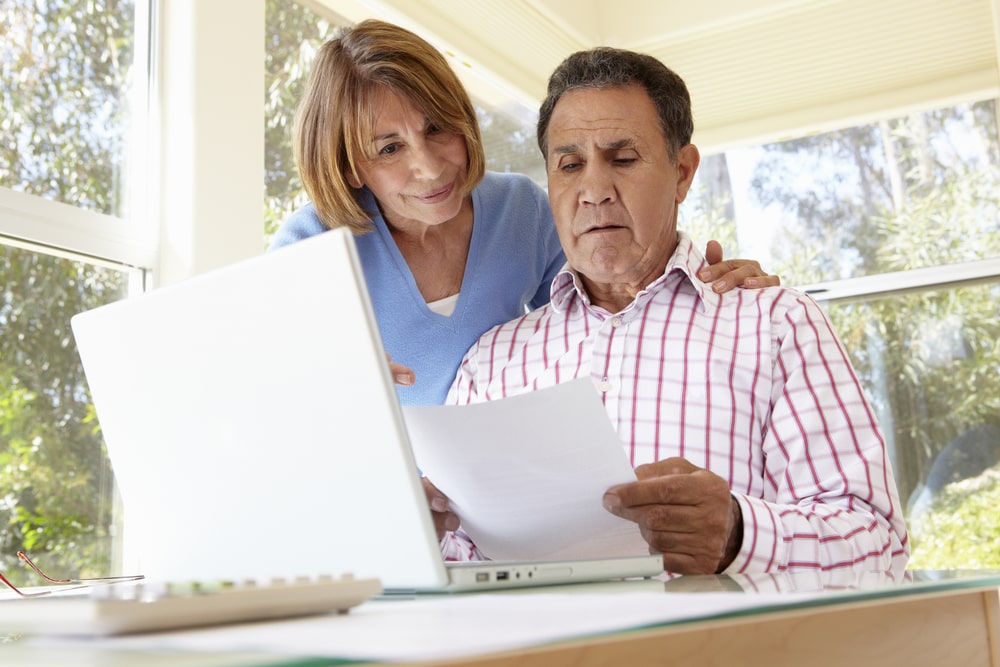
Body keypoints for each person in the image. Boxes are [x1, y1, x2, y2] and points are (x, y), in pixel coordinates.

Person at [436, 46, 909, 577]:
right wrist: (424, 534)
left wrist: (738, 534)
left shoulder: (776, 325)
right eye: (570, 165)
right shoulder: (491, 362)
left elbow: (879, 544)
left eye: (623, 158)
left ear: (682, 172)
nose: (593, 191)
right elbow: (455, 563)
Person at [269, 19, 778, 407]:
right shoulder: (311, 246)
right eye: (388, 149)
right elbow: (254, 387)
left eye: (437, 129)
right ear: (351, 167)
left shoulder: (520, 210)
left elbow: (610, 303)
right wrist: (313, 379)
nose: (429, 167)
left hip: (490, 498)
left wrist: (710, 286)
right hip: (376, 493)